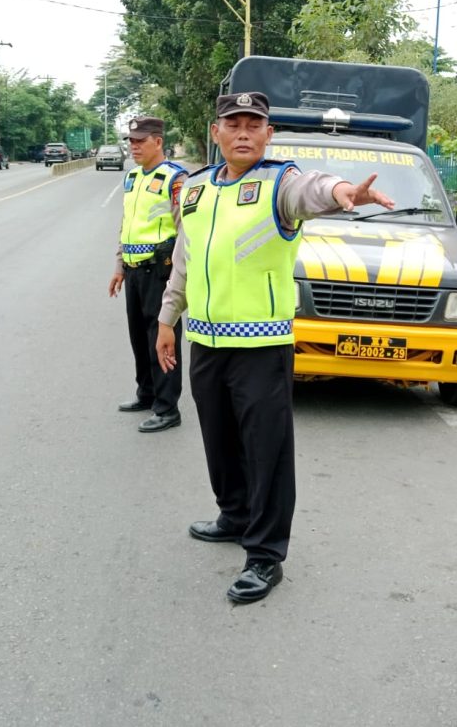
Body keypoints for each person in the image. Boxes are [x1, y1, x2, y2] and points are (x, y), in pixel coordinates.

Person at [156, 91, 394, 604]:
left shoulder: (280, 183)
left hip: (262, 344)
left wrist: (344, 190)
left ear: (269, 134)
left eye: (254, 124)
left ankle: (265, 555)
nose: (243, 132)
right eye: (233, 123)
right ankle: (233, 514)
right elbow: (184, 259)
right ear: (215, 132)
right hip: (207, 341)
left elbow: (315, 189)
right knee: (218, 439)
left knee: (266, 449)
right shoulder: (195, 191)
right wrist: (167, 318)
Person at [108, 116, 188, 433]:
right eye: (131, 140)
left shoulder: (175, 178)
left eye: (141, 141)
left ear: (158, 141)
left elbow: (185, 230)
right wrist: (119, 266)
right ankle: (147, 393)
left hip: (160, 270)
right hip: (133, 269)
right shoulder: (132, 177)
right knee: (139, 337)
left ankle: (168, 408)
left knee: (162, 339)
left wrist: (180, 276)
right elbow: (127, 223)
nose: (134, 146)